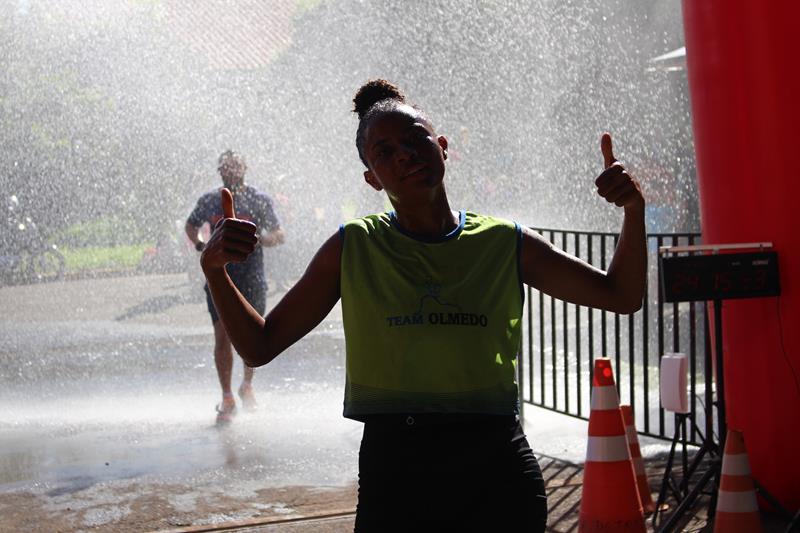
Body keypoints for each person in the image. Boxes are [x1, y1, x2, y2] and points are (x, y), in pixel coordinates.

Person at [200, 81, 646, 531]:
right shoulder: (354, 247)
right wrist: (214, 269)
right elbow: (258, 346)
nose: (405, 154)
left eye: (416, 138)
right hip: (398, 474)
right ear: (372, 178)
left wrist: (633, 209)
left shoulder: (505, 243)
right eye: (385, 150)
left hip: (496, 469)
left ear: (443, 146)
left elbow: (621, 296)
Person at [185, 150, 284, 425]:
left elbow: (279, 232)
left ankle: (247, 385)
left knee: (252, 336)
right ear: (219, 170)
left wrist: (261, 239)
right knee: (222, 337)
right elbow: (191, 225)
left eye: (235, 166)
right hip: (220, 277)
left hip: (253, 277)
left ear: (245, 167)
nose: (231, 170)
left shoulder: (259, 199)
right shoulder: (209, 200)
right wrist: (201, 245)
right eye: (226, 167)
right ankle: (227, 395)